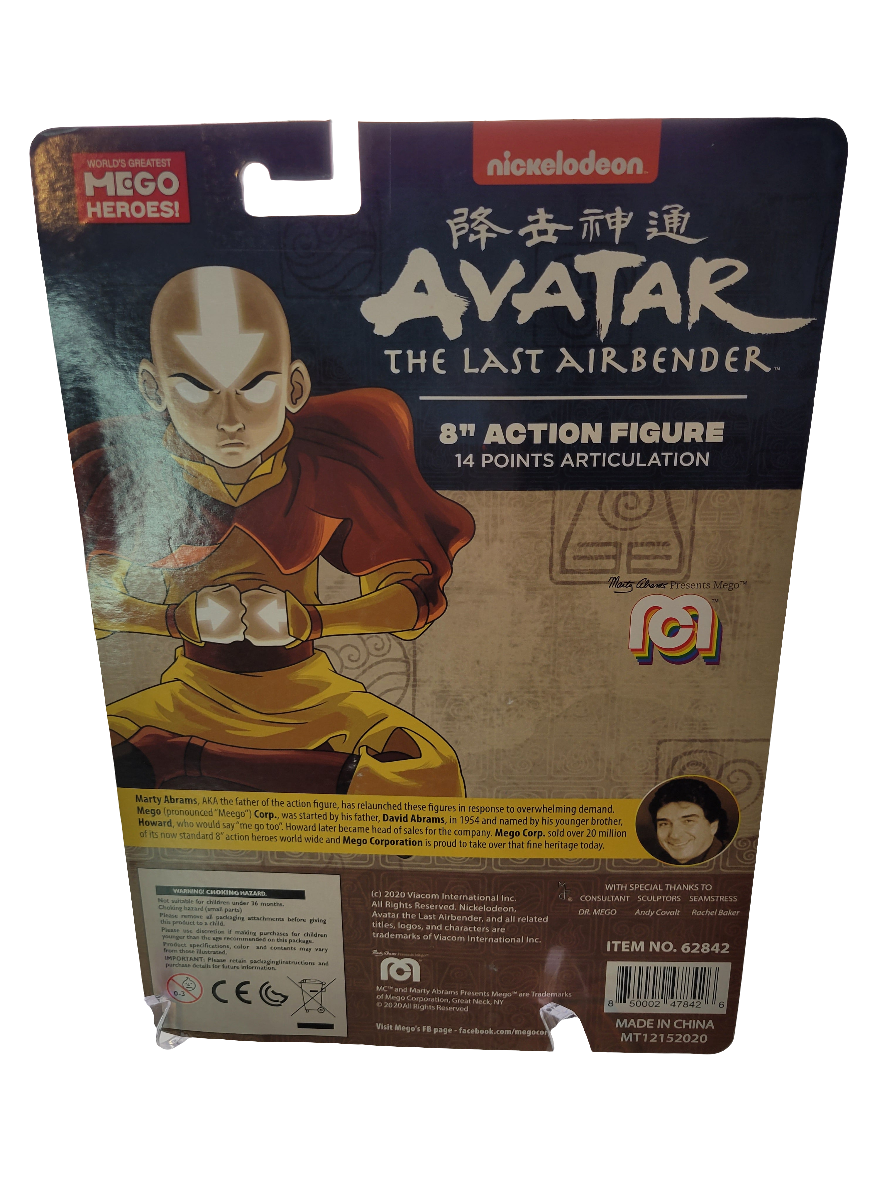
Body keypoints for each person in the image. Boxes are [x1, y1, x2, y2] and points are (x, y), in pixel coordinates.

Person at [71, 265, 475, 797]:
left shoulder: (334, 460)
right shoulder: (127, 475)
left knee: (432, 776)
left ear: (295, 386)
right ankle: (256, 768)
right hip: (186, 695)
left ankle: (180, 759)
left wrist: (311, 620)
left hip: (311, 695)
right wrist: (173, 619)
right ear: (152, 389)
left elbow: (411, 599)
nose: (229, 418)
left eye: (255, 385)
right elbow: (93, 603)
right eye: (197, 387)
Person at [645, 778, 731, 864]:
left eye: (688, 821)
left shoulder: (730, 859)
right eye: (664, 824)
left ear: (713, 827)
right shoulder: (656, 861)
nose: (675, 835)